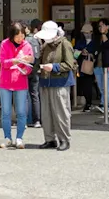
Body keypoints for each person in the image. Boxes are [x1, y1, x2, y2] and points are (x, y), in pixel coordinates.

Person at [35, 20, 76, 151]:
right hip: (45, 82)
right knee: (46, 113)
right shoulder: (45, 46)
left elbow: (70, 64)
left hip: (60, 83)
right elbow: (40, 61)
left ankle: (64, 139)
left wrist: (54, 67)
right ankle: (50, 139)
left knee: (61, 113)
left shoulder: (65, 44)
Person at [0, 22, 34, 149]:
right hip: (5, 82)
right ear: (12, 35)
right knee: (6, 112)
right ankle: (7, 137)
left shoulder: (27, 45)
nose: (20, 39)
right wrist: (15, 60)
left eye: (22, 35)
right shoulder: (4, 44)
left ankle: (19, 138)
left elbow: (30, 65)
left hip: (21, 81)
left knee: (21, 112)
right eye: (17, 36)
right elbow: (3, 63)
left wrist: (27, 69)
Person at [93, 18, 109, 117]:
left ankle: (106, 105)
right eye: (99, 26)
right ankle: (106, 105)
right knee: (101, 86)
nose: (100, 28)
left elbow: (108, 46)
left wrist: (103, 34)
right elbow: (94, 47)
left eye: (102, 25)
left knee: (106, 86)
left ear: (107, 26)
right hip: (98, 64)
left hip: (108, 64)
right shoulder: (97, 37)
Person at [74, 23, 96, 113]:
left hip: (91, 67)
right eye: (85, 33)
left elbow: (97, 53)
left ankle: (88, 103)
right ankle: (86, 102)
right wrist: (80, 52)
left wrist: (90, 54)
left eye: (88, 33)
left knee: (88, 86)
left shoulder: (95, 42)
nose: (87, 34)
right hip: (81, 66)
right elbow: (74, 54)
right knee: (82, 85)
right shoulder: (80, 42)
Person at [25, 18, 43, 128]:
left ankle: (26, 120)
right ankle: (37, 120)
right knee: (35, 95)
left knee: (25, 95)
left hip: (26, 69)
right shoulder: (39, 40)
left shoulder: (26, 40)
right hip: (36, 69)